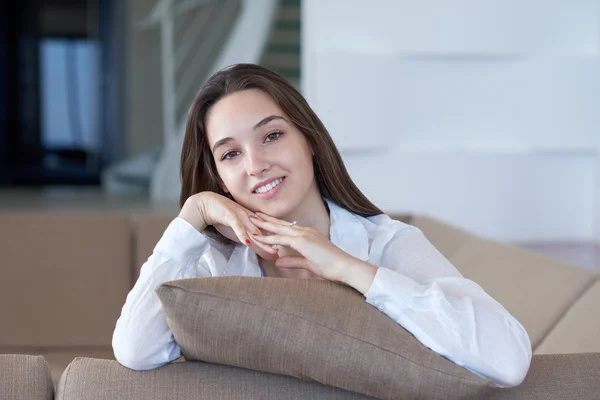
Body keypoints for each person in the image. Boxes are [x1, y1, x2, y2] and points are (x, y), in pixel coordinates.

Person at [112, 63, 532, 388]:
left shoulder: (386, 244)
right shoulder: (216, 263)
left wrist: (348, 268)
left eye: (271, 136)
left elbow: (507, 359)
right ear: (220, 178)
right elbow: (136, 348)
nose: (256, 165)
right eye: (230, 154)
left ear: (308, 139)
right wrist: (194, 213)